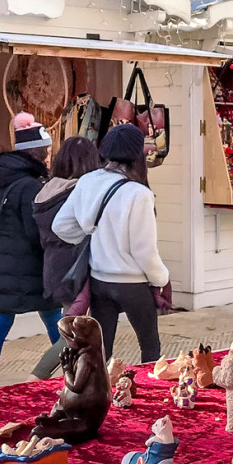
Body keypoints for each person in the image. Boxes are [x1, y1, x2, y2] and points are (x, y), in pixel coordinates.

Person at [52, 124, 168, 362]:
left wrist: (89, 231)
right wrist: (161, 279)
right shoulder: (138, 193)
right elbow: (143, 250)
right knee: (150, 348)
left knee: (100, 352)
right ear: (138, 153)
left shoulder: (87, 181)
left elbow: (60, 225)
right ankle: (148, 396)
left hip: (98, 280)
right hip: (132, 283)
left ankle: (100, 395)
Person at [0, 112, 62, 389]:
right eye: (47, 152)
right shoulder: (29, 185)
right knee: (55, 321)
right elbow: (33, 229)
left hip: (2, 262)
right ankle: (70, 375)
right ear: (36, 153)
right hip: (29, 264)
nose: (49, 157)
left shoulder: (1, 179)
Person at [27, 136, 102, 382]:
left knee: (72, 327)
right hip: (77, 269)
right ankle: (36, 376)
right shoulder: (78, 191)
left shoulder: (45, 191)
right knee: (74, 335)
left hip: (54, 267)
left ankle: (81, 379)